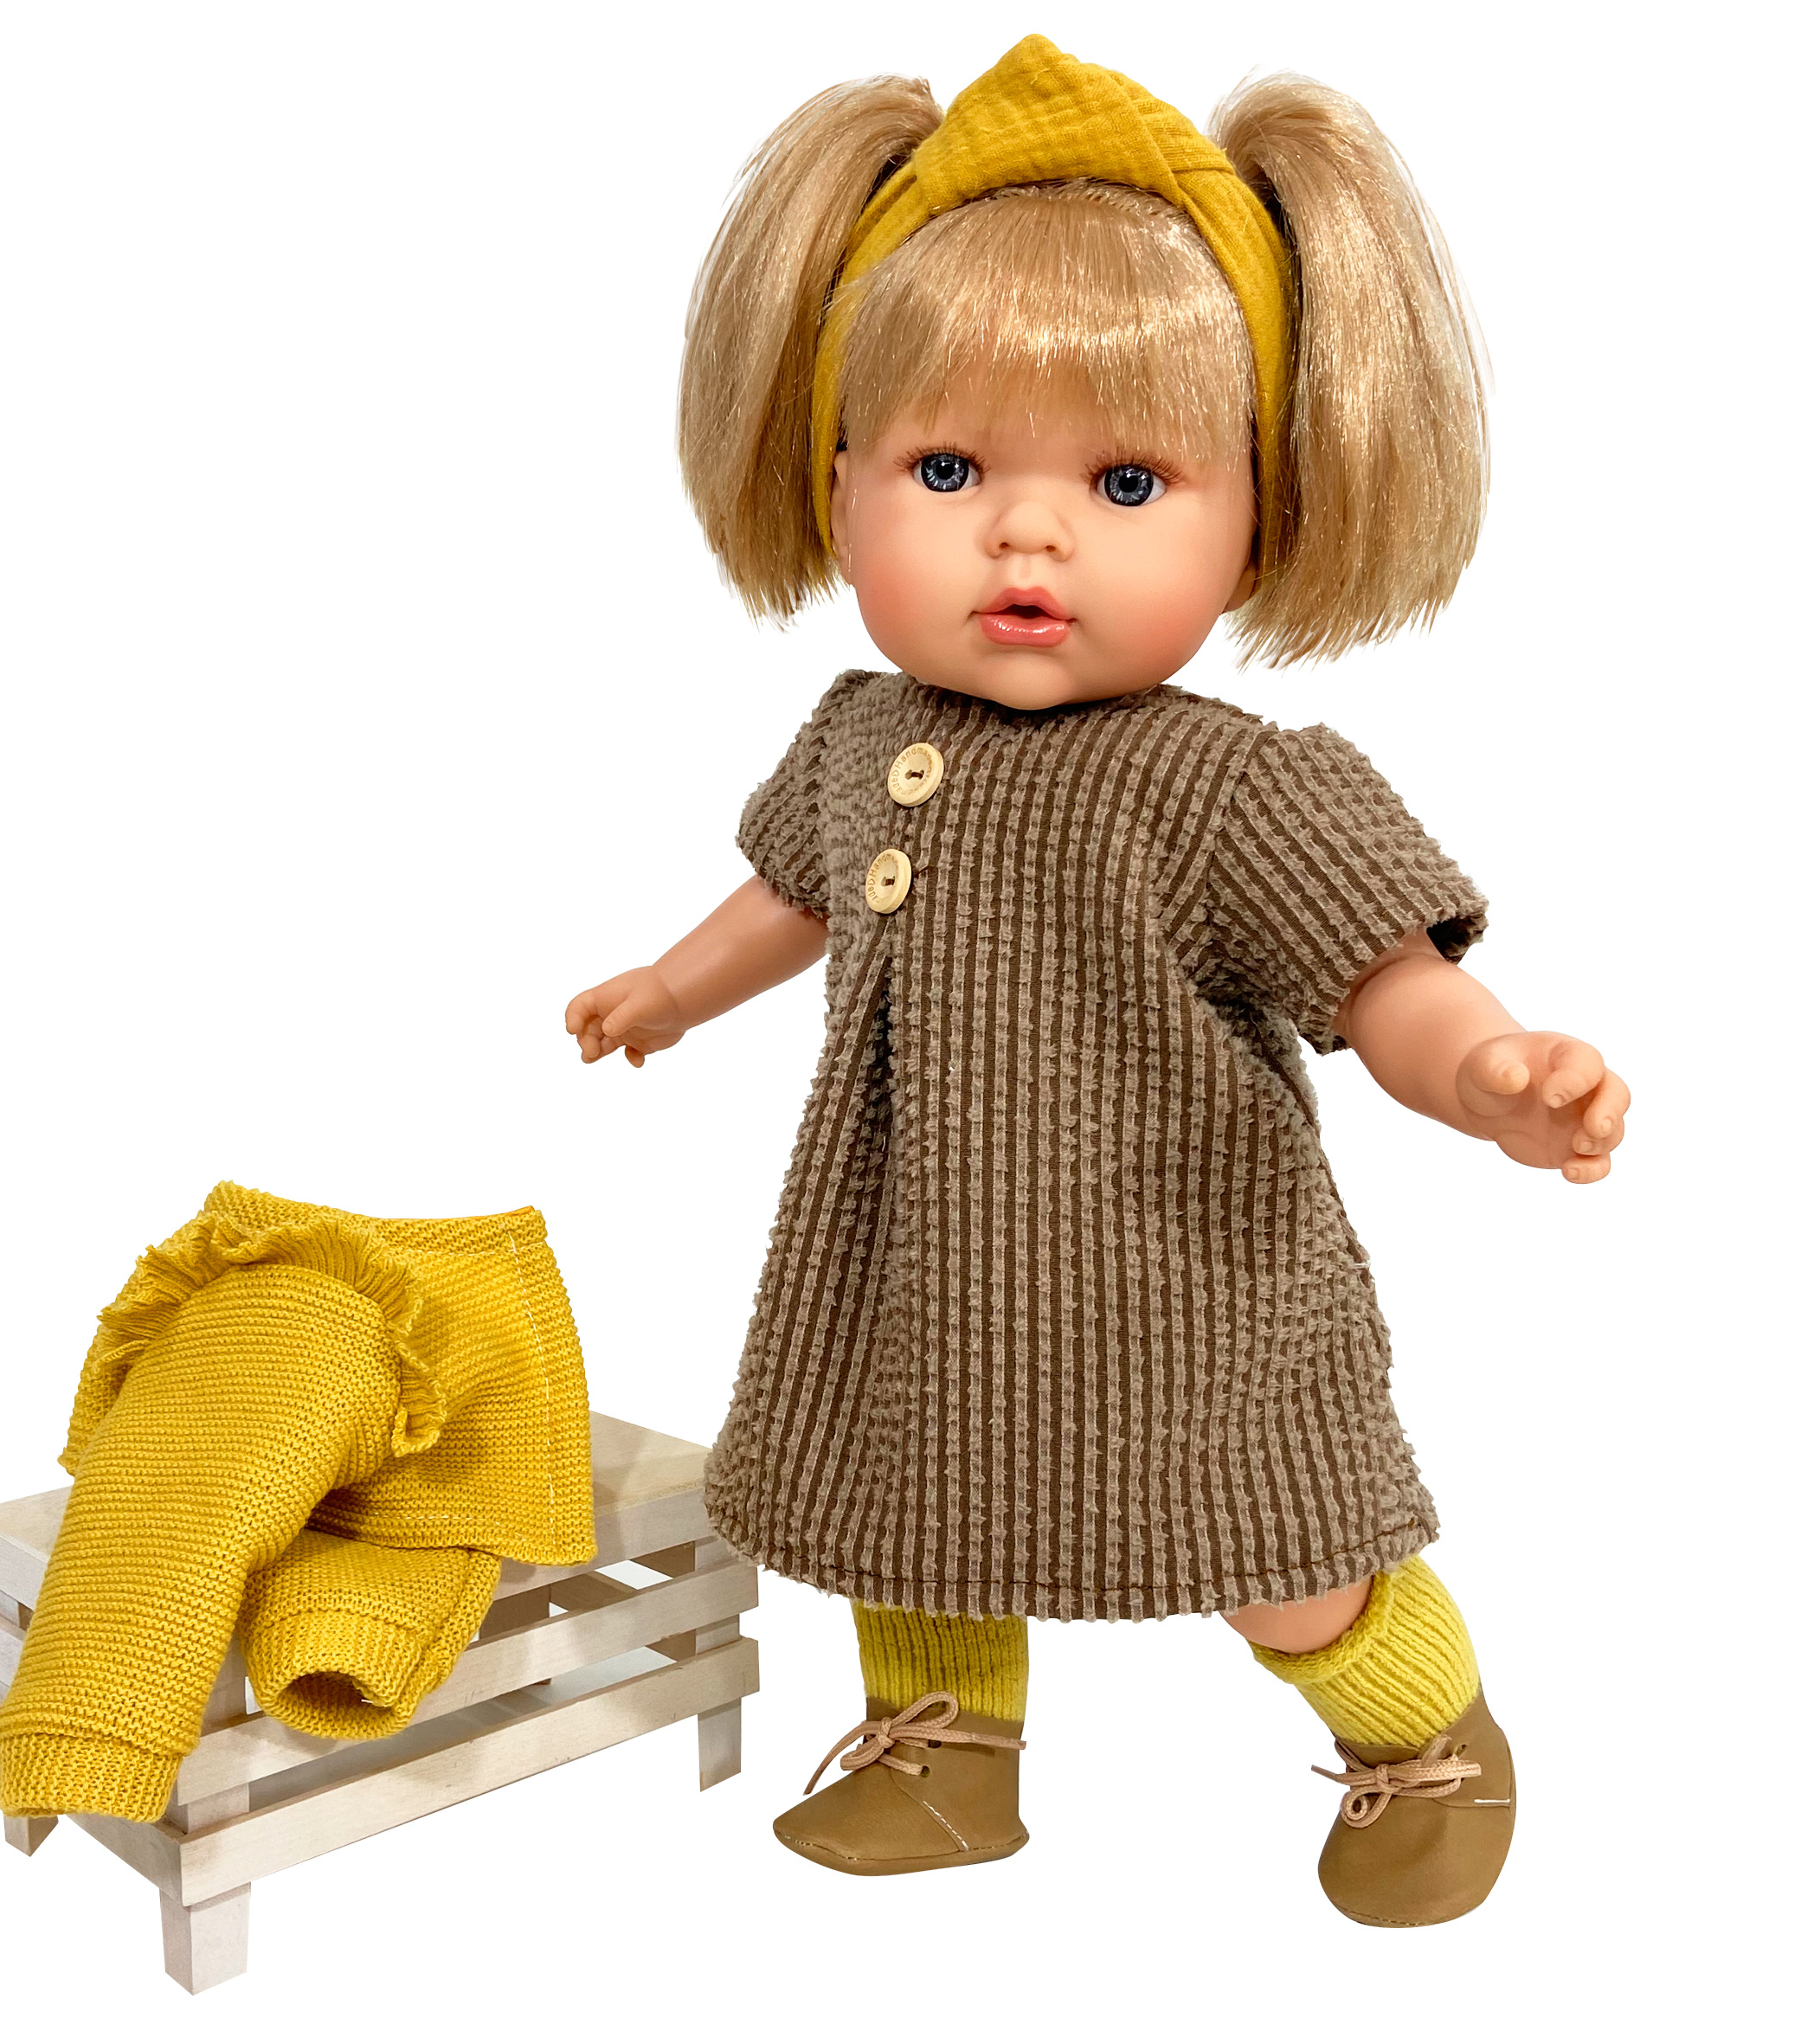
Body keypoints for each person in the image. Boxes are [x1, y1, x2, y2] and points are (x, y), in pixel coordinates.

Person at [565, 35, 1627, 1924]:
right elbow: (791, 892)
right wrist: (668, 982)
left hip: (1180, 1271)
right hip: (914, 1244)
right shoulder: (857, 732)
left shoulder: (1234, 786)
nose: (1026, 530)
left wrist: (1487, 1073)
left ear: (1260, 509)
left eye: (1125, 478)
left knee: (1276, 1545)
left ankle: (1421, 1729)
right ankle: (943, 1748)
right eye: (946, 467)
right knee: (905, 1505)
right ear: (835, 483)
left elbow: (1380, 978)